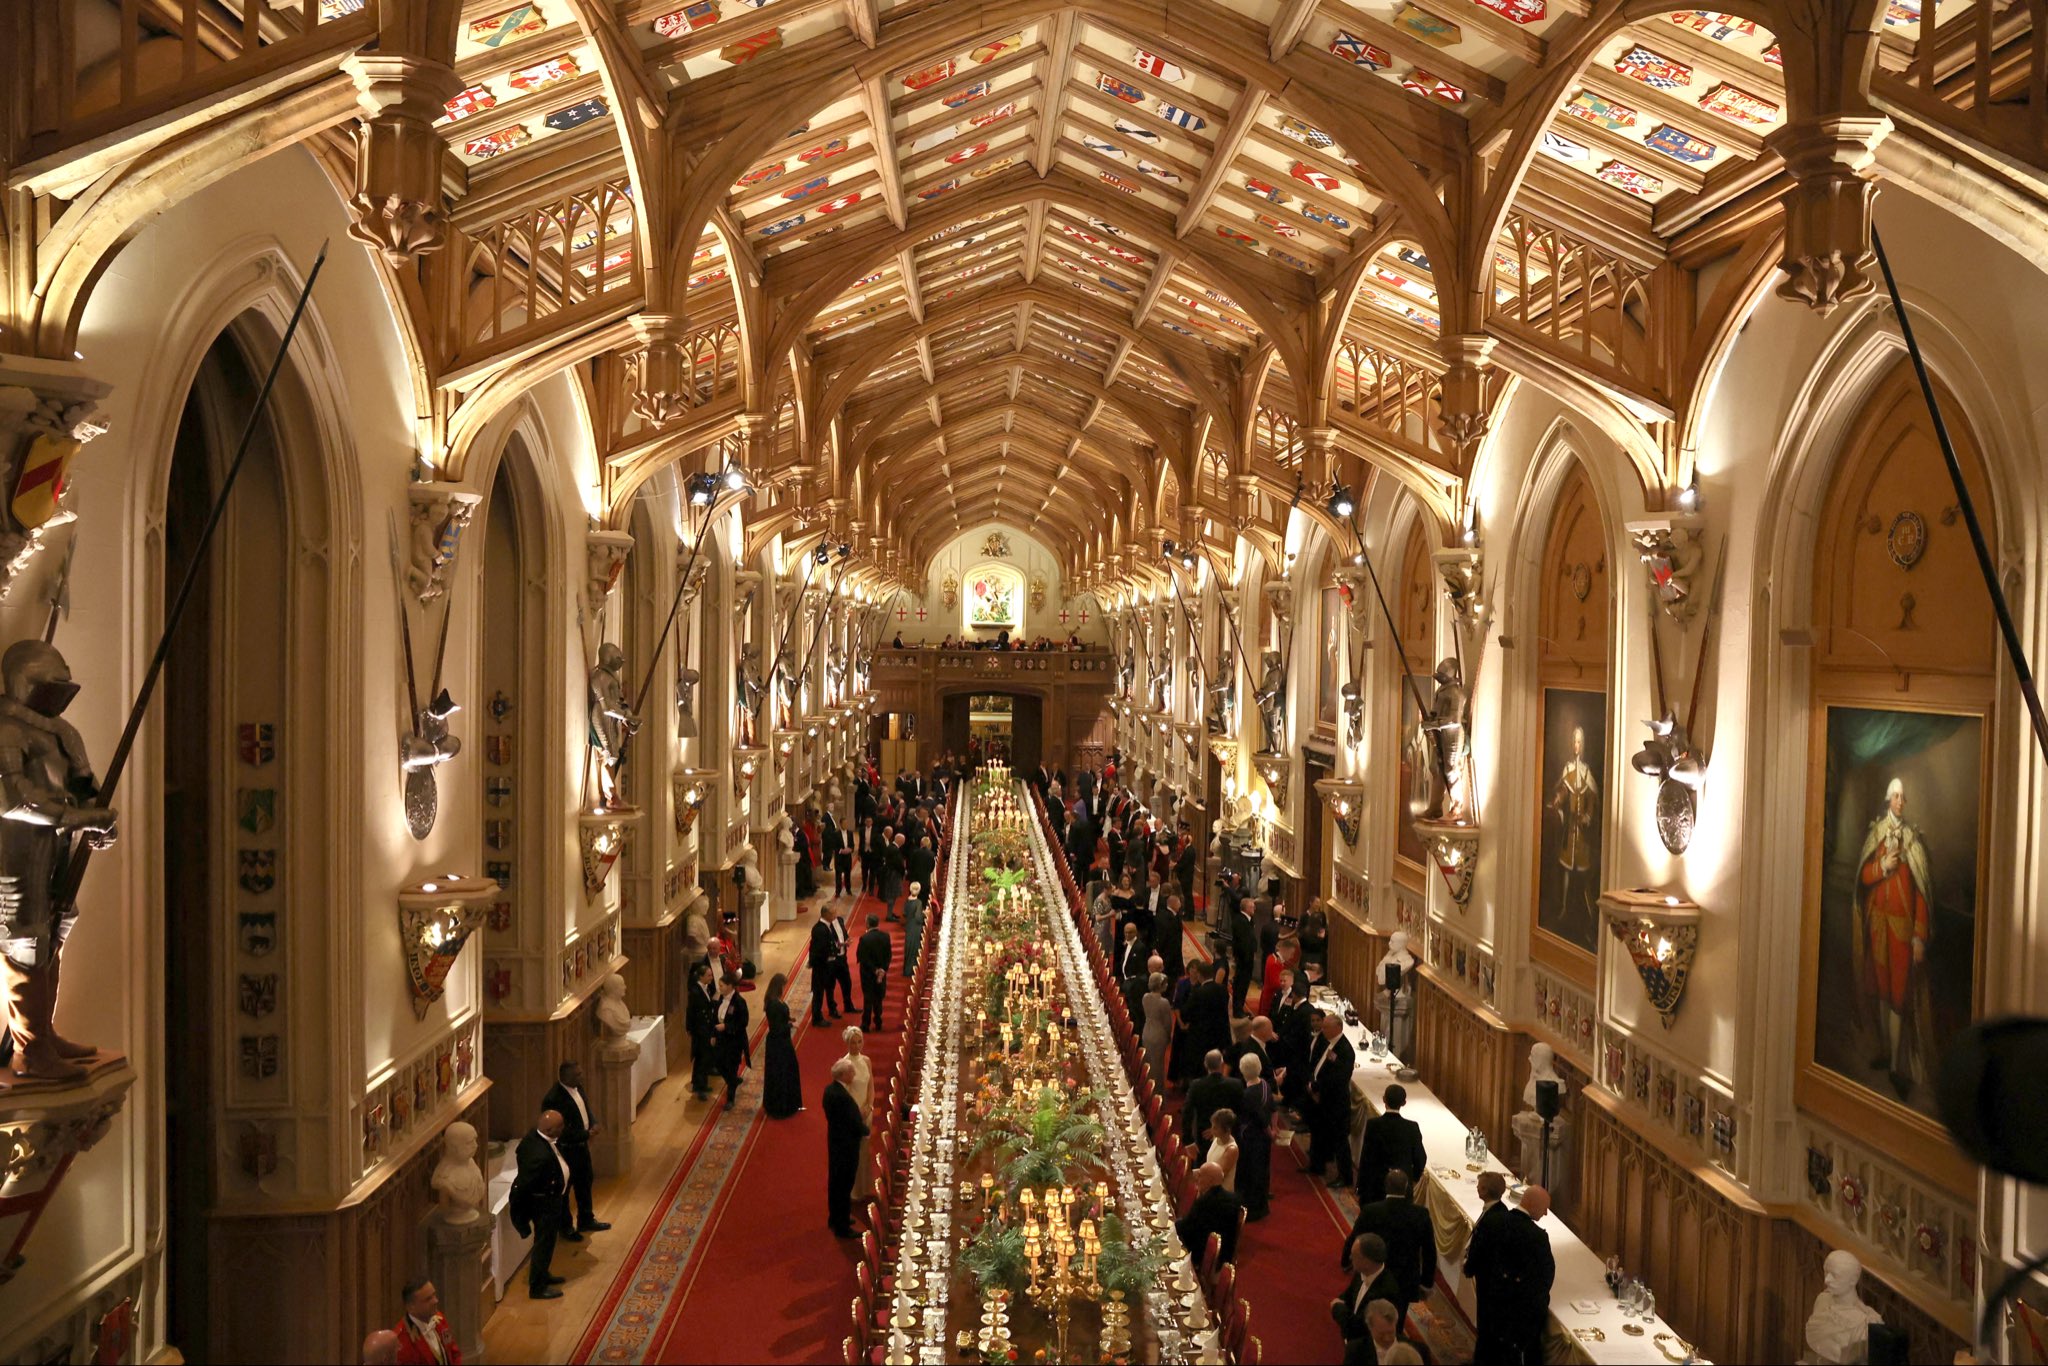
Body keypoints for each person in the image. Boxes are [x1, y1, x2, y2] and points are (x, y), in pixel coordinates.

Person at [1344, 1169, 1437, 1330]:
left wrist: (1346, 1259)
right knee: (1397, 1320)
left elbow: (1356, 1237)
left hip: (1374, 1271)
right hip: (1405, 1277)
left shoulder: (1372, 1210)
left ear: (1385, 1186)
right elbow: (1429, 1251)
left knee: (1368, 1312)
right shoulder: (1420, 1214)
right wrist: (1426, 1283)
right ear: (1407, 1187)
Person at [539, 1061, 610, 1238]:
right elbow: (558, 1130)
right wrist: (586, 1134)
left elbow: (585, 1108)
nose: (582, 1077)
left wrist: (593, 1123)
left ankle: (586, 1219)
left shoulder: (578, 1088)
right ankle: (566, 1227)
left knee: (584, 1182)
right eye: (577, 1075)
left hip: (581, 1148)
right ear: (565, 1077)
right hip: (566, 1150)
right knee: (565, 1189)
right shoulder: (553, 1099)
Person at [509, 1109, 571, 1299]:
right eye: (560, 1126)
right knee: (544, 1243)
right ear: (551, 1130)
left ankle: (543, 1274)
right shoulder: (538, 1154)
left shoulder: (536, 1138)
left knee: (548, 1242)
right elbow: (525, 1185)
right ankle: (537, 1287)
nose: (563, 1128)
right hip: (544, 1205)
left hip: (551, 1200)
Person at [1463, 1171, 1519, 1362]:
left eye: (1480, 1186)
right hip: (1491, 1279)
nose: (1477, 1188)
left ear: (1486, 1191)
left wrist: (1469, 1267)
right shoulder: (1498, 1211)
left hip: (1490, 1282)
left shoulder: (1494, 1218)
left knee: (1486, 1324)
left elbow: (1483, 1248)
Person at [1331, 1235, 1401, 1366]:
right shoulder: (1362, 1271)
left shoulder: (1386, 1292)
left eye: (1354, 1255)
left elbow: (1358, 1327)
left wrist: (1336, 1307)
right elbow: (1349, 1295)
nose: (1350, 1258)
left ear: (1367, 1262)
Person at [1308, 1012, 1356, 1187]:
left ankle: (1345, 1177)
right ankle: (1317, 1165)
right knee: (1320, 1131)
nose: (1323, 1029)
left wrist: (1316, 1087)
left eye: (1326, 1027)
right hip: (1324, 1099)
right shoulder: (1330, 1043)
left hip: (1336, 1102)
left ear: (1338, 1028)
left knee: (1340, 1140)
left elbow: (1338, 1078)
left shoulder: (1345, 1050)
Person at [1358, 1084, 1428, 1203]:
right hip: (1402, 1187)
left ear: (1384, 1099)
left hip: (1376, 1187)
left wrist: (1361, 1186)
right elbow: (1421, 1158)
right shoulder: (1412, 1127)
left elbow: (1366, 1157)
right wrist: (1412, 1179)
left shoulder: (1373, 1125)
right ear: (1404, 1103)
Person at [823, 1057, 869, 1238]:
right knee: (844, 1185)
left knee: (835, 1183)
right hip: (846, 1147)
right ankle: (842, 1227)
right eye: (851, 1072)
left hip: (836, 1143)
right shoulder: (841, 1097)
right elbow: (852, 1121)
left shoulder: (830, 1090)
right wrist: (865, 1130)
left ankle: (835, 1218)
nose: (854, 1074)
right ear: (843, 1075)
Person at [1174, 1161, 1244, 1265]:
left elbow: (1186, 1227)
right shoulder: (1234, 1199)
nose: (1197, 1179)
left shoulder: (1205, 1202)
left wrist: (1173, 1225)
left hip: (1203, 1255)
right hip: (1225, 1253)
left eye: (1200, 1175)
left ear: (1210, 1181)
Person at [1236, 1053, 1274, 1221]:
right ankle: (1262, 1204)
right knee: (1263, 1170)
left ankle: (1252, 1210)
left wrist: (1270, 1131)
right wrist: (1274, 1129)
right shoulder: (1265, 1085)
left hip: (1252, 1138)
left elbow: (1260, 1118)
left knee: (1251, 1173)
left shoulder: (1248, 1094)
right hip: (1264, 1138)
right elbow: (1273, 1109)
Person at [762, 973, 803, 1118]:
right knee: (782, 1072)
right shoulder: (774, 1004)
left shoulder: (773, 1000)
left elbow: (779, 1020)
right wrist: (790, 1025)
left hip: (780, 1042)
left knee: (785, 1071)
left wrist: (788, 1019)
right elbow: (776, 1028)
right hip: (779, 1044)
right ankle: (781, 1107)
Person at [392, 1278, 460, 1364]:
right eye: (428, 1299)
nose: (436, 1301)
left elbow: (454, 1352)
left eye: (434, 1295)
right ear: (411, 1307)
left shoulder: (439, 1319)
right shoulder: (401, 1339)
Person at [1185, 1049, 1246, 1144]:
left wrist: (1188, 1141)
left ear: (1205, 1065)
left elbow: (1187, 1113)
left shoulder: (1196, 1086)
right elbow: (1242, 1113)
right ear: (1222, 1064)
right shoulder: (1236, 1084)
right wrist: (1221, 1129)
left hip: (1204, 1137)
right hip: (1229, 1136)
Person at [842, 1026, 875, 1197]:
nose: (857, 1046)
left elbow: (871, 1087)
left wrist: (869, 1106)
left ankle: (864, 1188)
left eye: (859, 1042)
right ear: (847, 1044)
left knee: (864, 1151)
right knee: (853, 1153)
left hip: (866, 1112)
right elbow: (844, 1095)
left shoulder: (866, 1061)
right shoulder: (844, 1065)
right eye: (853, 1043)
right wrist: (856, 1113)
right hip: (852, 1115)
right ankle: (853, 1191)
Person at [809, 902, 853, 1024]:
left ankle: (819, 1017)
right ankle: (817, 1018)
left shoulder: (825, 926)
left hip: (826, 965)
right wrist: (829, 958)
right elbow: (818, 950)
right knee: (819, 993)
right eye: (833, 913)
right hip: (821, 967)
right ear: (827, 914)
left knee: (825, 989)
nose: (835, 915)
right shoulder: (820, 929)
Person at [712, 972, 750, 1100]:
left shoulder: (739, 1002)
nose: (719, 988)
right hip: (721, 1039)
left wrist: (726, 1026)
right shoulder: (720, 999)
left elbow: (743, 1022)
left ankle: (730, 1099)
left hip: (734, 1041)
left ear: (730, 986)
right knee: (718, 1063)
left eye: (721, 986)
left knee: (732, 1067)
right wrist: (713, 1035)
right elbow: (715, 1018)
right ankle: (733, 1081)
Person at [685, 959, 717, 1101]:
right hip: (700, 1029)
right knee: (701, 1058)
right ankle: (699, 1087)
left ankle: (702, 1084)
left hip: (706, 1027)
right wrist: (690, 1028)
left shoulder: (705, 988)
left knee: (705, 1057)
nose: (711, 977)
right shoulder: (695, 992)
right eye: (709, 975)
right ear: (701, 977)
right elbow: (691, 1012)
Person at [857, 913, 892, 1030]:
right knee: (878, 998)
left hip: (868, 974)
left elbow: (862, 958)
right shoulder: (886, 936)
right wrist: (883, 970)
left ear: (867, 924)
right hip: (881, 973)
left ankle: (865, 1024)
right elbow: (888, 955)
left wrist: (874, 970)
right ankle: (878, 1021)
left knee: (868, 998)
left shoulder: (864, 938)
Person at [1140, 972, 1173, 1088]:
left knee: (1148, 1062)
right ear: (1160, 985)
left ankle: (1147, 1086)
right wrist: (1169, 1036)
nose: (1167, 985)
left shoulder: (1145, 997)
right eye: (1165, 983)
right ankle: (1156, 1090)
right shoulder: (1164, 1002)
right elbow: (1167, 1023)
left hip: (1147, 1031)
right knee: (1158, 1065)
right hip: (1159, 1035)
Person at [1229, 896, 1259, 1015]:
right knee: (1241, 984)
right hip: (1244, 959)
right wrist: (1247, 957)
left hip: (1246, 958)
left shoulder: (1247, 920)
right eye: (1252, 907)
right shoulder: (1240, 921)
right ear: (1246, 908)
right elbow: (1243, 942)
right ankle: (1238, 1009)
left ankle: (1240, 1007)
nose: (1254, 909)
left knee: (1244, 984)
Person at [1205, 1107, 1240, 1191]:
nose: (1212, 1130)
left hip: (1221, 1193)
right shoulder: (1216, 1138)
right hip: (1209, 1188)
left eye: (1215, 1128)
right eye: (1212, 1126)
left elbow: (1219, 1177)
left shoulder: (1231, 1149)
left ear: (1227, 1130)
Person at [902, 882, 926, 978]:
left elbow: (904, 913)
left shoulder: (907, 901)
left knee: (908, 948)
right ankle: (911, 970)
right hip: (915, 927)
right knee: (914, 948)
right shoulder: (918, 902)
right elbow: (918, 918)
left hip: (908, 926)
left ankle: (906, 970)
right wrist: (924, 914)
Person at [825, 813, 851, 897]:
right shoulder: (836, 834)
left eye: (846, 823)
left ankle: (848, 889)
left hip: (848, 857)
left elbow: (852, 845)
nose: (846, 825)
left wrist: (850, 849)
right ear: (840, 824)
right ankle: (838, 892)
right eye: (844, 823)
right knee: (838, 876)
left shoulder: (850, 833)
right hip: (839, 858)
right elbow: (834, 846)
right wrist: (841, 851)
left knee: (847, 875)